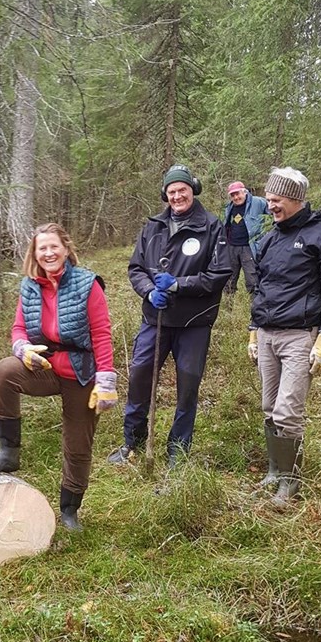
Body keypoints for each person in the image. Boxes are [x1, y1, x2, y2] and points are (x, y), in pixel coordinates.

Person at [0, 222, 117, 531]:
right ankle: (8, 452)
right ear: (35, 254)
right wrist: (23, 348)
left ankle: (69, 509)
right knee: (4, 372)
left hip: (81, 373)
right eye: (43, 248)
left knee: (78, 444)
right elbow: (18, 328)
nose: (49, 253)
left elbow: (102, 335)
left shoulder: (87, 284)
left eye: (54, 247)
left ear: (66, 249)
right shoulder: (29, 286)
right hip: (46, 367)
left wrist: (105, 381)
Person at [108, 164, 232, 470]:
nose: (177, 196)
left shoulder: (213, 227)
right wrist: (149, 291)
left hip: (194, 323)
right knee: (139, 377)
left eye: (183, 190)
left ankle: (178, 450)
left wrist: (180, 284)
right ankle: (132, 442)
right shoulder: (152, 227)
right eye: (172, 191)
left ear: (193, 190)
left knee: (187, 387)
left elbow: (219, 274)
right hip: (155, 319)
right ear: (166, 195)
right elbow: (136, 268)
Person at [248, 167, 321, 508]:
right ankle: (275, 472)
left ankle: (290, 483)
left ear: (295, 198)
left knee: (288, 412)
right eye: (269, 199)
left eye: (275, 200)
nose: (270, 206)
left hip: (300, 335)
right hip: (266, 333)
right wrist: (252, 330)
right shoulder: (268, 239)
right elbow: (259, 288)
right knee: (268, 408)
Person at [223, 181, 270, 297]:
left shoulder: (258, 202)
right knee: (229, 280)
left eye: (237, 193)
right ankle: (228, 308)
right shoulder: (230, 207)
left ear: (245, 191)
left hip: (249, 247)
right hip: (232, 247)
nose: (236, 197)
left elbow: (272, 214)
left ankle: (256, 309)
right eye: (232, 195)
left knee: (252, 280)